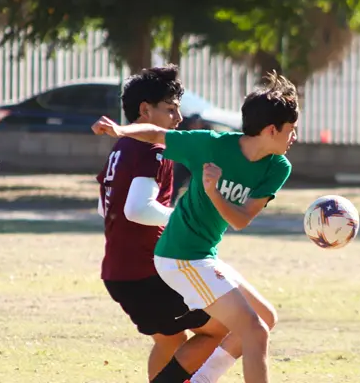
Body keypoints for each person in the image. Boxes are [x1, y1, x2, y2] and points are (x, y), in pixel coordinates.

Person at [93, 72, 299, 383]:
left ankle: (200, 379)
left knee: (265, 318)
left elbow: (241, 219)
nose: (295, 137)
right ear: (271, 130)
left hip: (203, 255)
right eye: (291, 129)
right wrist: (121, 130)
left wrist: (214, 192)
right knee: (252, 330)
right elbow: (156, 134)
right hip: (179, 256)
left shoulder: (278, 167)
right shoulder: (210, 145)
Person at [95, 65, 229, 380]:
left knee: (171, 341)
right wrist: (185, 219)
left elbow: (104, 206)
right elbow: (138, 209)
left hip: (118, 272)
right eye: (170, 109)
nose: (178, 118)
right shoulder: (152, 147)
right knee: (225, 326)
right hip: (148, 274)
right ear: (145, 110)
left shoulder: (122, 146)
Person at [171, 114, 211, 206]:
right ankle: (171, 202)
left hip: (199, 163)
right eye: (193, 123)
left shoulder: (206, 133)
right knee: (176, 183)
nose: (195, 126)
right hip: (185, 163)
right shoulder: (185, 132)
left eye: (197, 123)